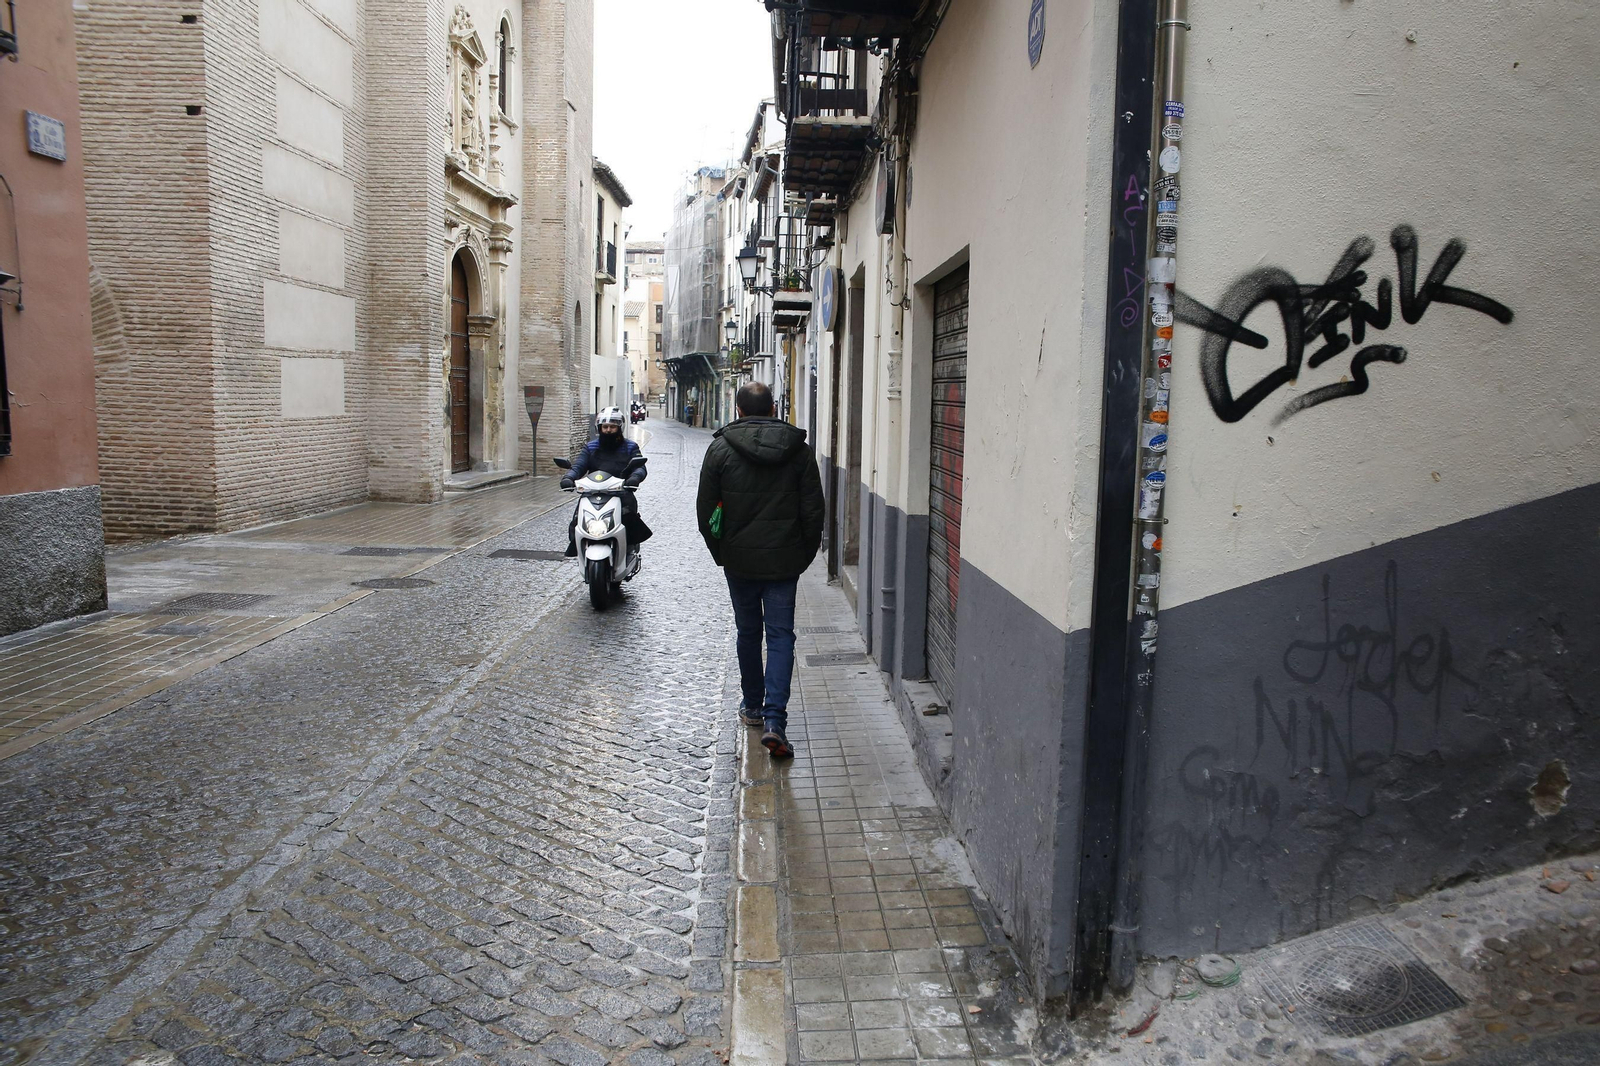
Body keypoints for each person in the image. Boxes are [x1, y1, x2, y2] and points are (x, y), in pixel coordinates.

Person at [696, 382, 825, 759]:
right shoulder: (799, 452)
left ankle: (753, 707)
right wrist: (801, 556)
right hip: (784, 563)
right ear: (773, 408)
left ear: (738, 410)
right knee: (781, 636)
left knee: (748, 632)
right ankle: (775, 721)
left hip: (740, 562)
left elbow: (706, 514)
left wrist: (722, 553)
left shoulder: (720, 449)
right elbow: (814, 511)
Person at [563, 407, 651, 556]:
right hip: (592, 492)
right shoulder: (591, 447)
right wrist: (569, 477)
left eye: (612, 427)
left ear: (619, 427)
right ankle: (578, 545)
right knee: (577, 518)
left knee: (629, 518)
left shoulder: (630, 447)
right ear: (599, 428)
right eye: (605, 427)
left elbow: (640, 467)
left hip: (621, 492)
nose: (609, 430)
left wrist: (634, 478)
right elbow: (579, 465)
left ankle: (629, 549)